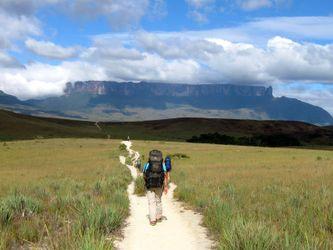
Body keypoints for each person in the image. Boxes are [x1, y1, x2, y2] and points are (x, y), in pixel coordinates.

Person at [143, 150, 168, 226]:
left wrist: (146, 182)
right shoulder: (162, 165)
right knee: (158, 201)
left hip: (149, 186)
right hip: (159, 185)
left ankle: (153, 220)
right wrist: (166, 186)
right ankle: (159, 217)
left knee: (151, 203)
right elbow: (165, 176)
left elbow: (144, 174)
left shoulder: (147, 164)